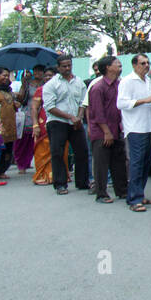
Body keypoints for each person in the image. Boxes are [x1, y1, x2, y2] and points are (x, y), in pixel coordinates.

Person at [117, 53, 151, 212]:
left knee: (145, 163)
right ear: (135, 65)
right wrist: (145, 100)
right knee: (136, 163)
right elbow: (121, 103)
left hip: (148, 126)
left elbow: (148, 101)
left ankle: (139, 194)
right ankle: (134, 199)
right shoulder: (128, 81)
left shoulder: (148, 80)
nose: (146, 66)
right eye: (143, 63)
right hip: (135, 128)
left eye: (148, 63)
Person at [43, 55, 90, 195]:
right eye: (64, 66)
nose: (67, 68)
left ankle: (82, 182)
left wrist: (79, 117)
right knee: (57, 153)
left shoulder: (79, 82)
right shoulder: (51, 84)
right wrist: (70, 117)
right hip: (57, 122)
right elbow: (50, 107)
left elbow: (83, 102)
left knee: (82, 152)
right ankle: (60, 184)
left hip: (75, 122)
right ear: (58, 68)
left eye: (69, 65)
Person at [88, 55, 129, 205]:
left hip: (117, 128)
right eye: (116, 63)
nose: (119, 65)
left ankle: (122, 190)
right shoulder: (98, 88)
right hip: (102, 132)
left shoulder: (120, 85)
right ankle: (101, 193)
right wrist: (106, 132)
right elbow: (97, 113)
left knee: (119, 162)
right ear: (107, 68)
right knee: (101, 163)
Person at [0, 68, 18, 180]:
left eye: (7, 76)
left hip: (10, 122)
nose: (6, 78)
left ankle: (2, 170)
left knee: (8, 148)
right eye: (3, 75)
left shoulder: (8, 90)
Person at [30, 68, 54, 185]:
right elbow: (34, 107)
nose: (48, 78)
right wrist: (35, 125)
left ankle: (56, 175)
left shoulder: (60, 89)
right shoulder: (41, 90)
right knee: (42, 148)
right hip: (43, 121)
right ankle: (41, 175)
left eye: (51, 75)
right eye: (46, 76)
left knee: (59, 147)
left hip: (59, 120)